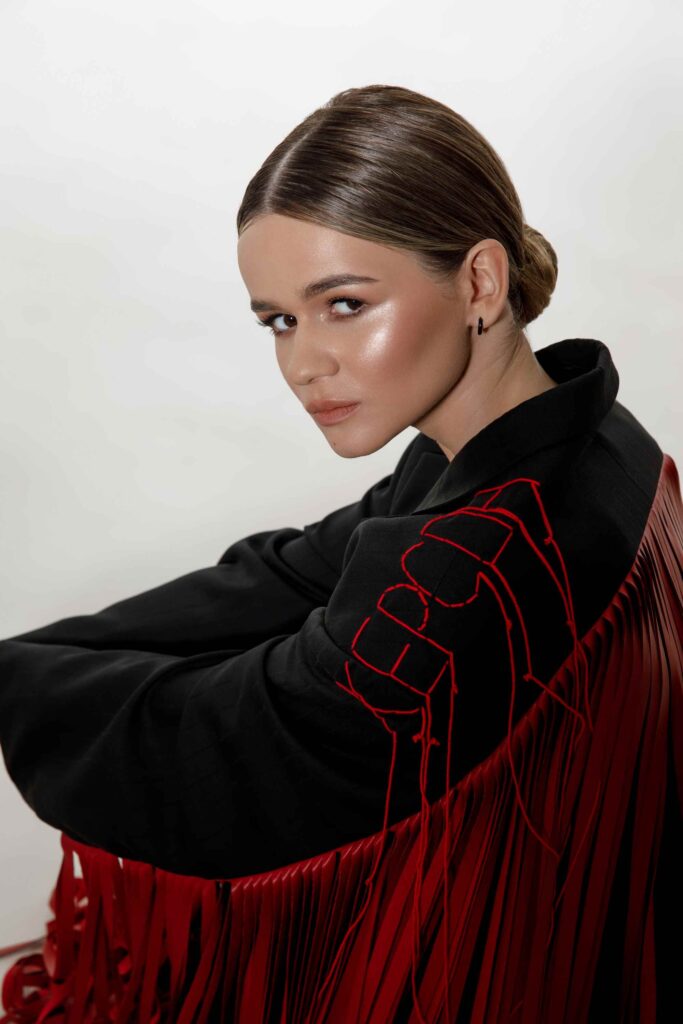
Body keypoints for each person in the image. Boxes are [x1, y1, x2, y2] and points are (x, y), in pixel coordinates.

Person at [0, 84, 680, 1024]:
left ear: (480, 284)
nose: (302, 363)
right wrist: (40, 658)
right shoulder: (582, 436)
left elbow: (225, 753)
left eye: (345, 304)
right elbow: (290, 571)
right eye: (279, 320)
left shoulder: (469, 566)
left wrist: (18, 686)